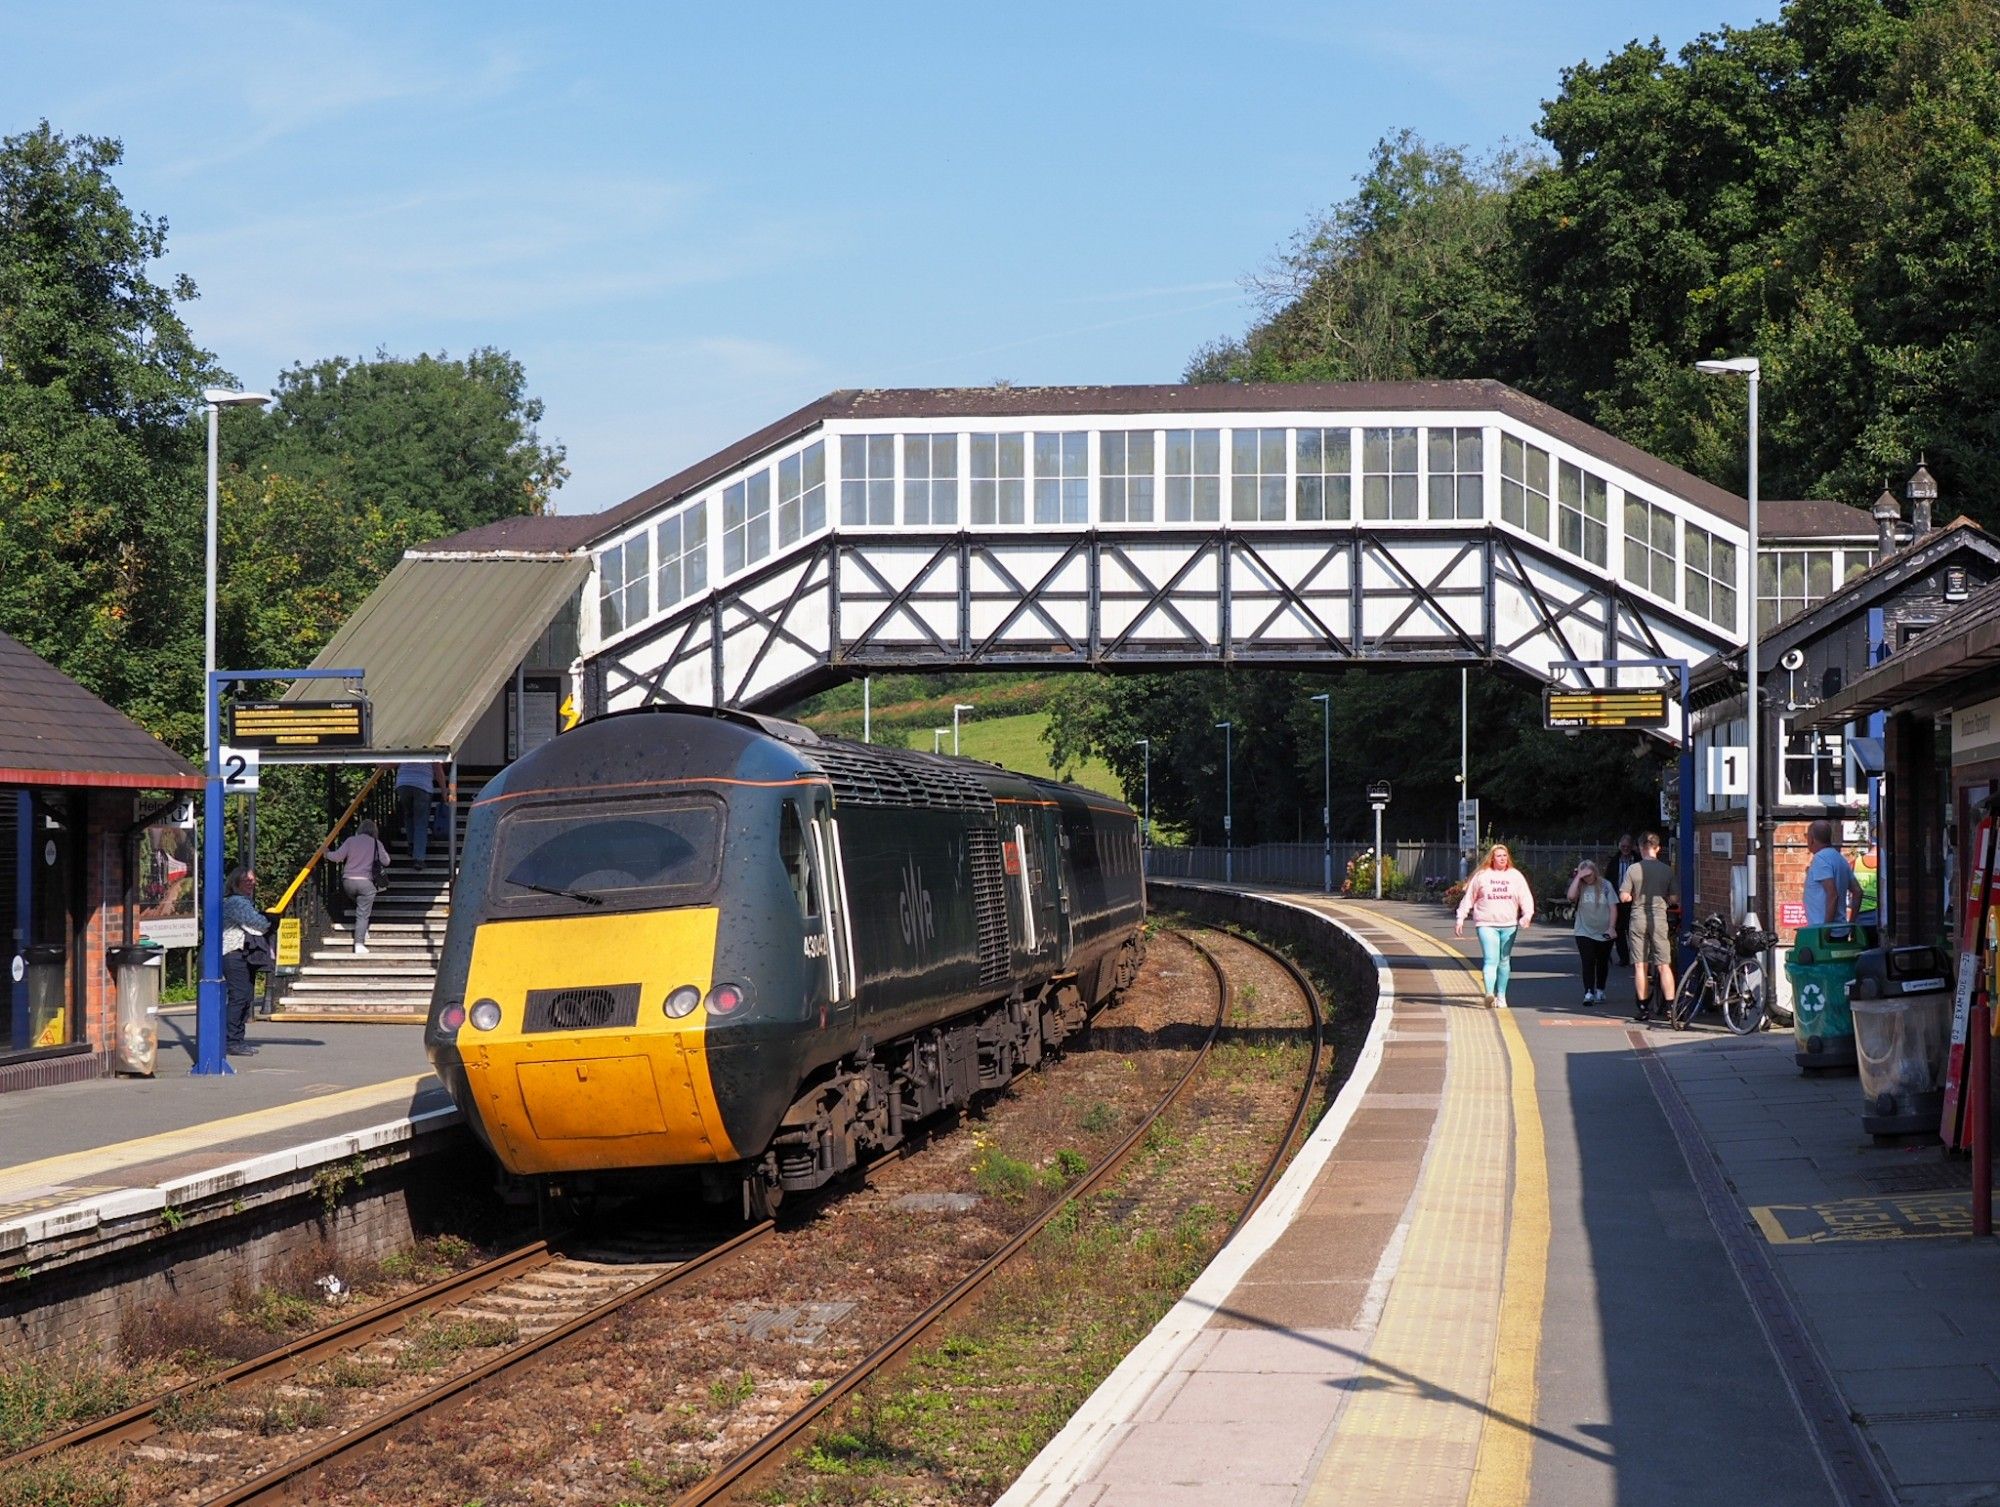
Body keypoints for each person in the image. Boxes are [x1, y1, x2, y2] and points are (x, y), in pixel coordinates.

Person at [1453, 843, 1535, 1007]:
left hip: (1509, 924)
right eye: (1498, 856)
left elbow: (1525, 897)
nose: (1502, 859)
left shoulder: (1515, 876)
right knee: (1491, 959)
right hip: (1486, 924)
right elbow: (1469, 898)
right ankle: (1489, 993)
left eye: (1505, 856)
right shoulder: (1482, 876)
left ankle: (1501, 996)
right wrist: (1460, 917)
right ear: (1492, 858)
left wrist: (1527, 914)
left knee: (1504, 960)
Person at [1619, 831, 1677, 1022]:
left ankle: (1643, 1009)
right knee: (1663, 965)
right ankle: (1670, 1008)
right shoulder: (1667, 870)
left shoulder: (1633, 870)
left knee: (1640, 966)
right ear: (1658, 848)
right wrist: (1665, 901)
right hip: (1659, 919)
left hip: (1638, 919)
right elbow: (1674, 899)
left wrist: (1634, 896)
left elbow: (1624, 897)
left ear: (1640, 847)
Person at [220, 865, 270, 1057]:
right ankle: (231, 1041)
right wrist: (270, 920)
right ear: (236, 883)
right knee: (240, 997)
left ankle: (236, 1040)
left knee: (245, 997)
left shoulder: (242, 902)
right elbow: (258, 925)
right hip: (234, 954)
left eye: (253, 880)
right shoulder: (237, 902)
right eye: (247, 880)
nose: (252, 883)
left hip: (240, 955)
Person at [328, 818, 390, 955]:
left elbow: (337, 857)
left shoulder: (351, 841)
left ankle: (362, 929)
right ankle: (359, 943)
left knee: (359, 905)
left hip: (348, 882)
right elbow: (386, 862)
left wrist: (325, 852)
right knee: (363, 914)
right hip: (366, 884)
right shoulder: (376, 843)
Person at [1567, 857, 1618, 1006]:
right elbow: (1570, 896)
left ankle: (1600, 989)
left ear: (1595, 872)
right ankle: (1588, 992)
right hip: (1584, 930)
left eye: (1589, 875)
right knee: (1588, 961)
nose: (1587, 878)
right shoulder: (1580, 886)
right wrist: (1578, 877)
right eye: (1584, 876)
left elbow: (1613, 908)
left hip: (1603, 931)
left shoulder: (1606, 885)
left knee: (1602, 961)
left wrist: (1612, 927)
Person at [1803, 819, 1863, 926]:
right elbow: (1857, 891)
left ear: (1812, 839)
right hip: (1841, 930)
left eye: (1806, 836)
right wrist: (1852, 923)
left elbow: (1832, 894)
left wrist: (1826, 929)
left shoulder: (1820, 859)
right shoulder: (1840, 859)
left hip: (1821, 932)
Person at [1607, 833, 1639, 967]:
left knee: (1634, 929)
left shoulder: (1638, 860)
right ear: (1620, 846)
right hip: (1617, 900)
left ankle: (1636, 957)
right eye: (1623, 846)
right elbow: (1608, 879)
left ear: (1632, 846)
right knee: (1619, 930)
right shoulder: (1614, 861)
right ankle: (1624, 957)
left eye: (1628, 846)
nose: (1625, 848)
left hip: (1634, 900)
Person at [395, 763, 436, 866]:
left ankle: (412, 844)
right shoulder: (431, 750)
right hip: (423, 785)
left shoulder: (405, 747)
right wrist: (445, 792)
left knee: (409, 814)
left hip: (403, 784)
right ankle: (419, 858)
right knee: (421, 822)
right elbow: (438, 769)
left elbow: (392, 763)